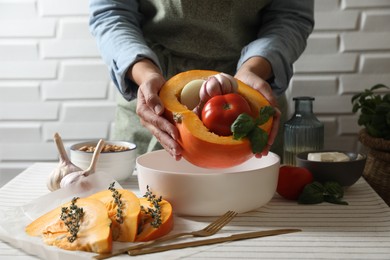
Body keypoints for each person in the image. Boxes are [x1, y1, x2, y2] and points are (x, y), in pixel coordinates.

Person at [89, 0, 314, 162]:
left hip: (251, 82)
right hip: (151, 87)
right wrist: (146, 74)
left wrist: (253, 69)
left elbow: (290, 16)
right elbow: (111, 12)